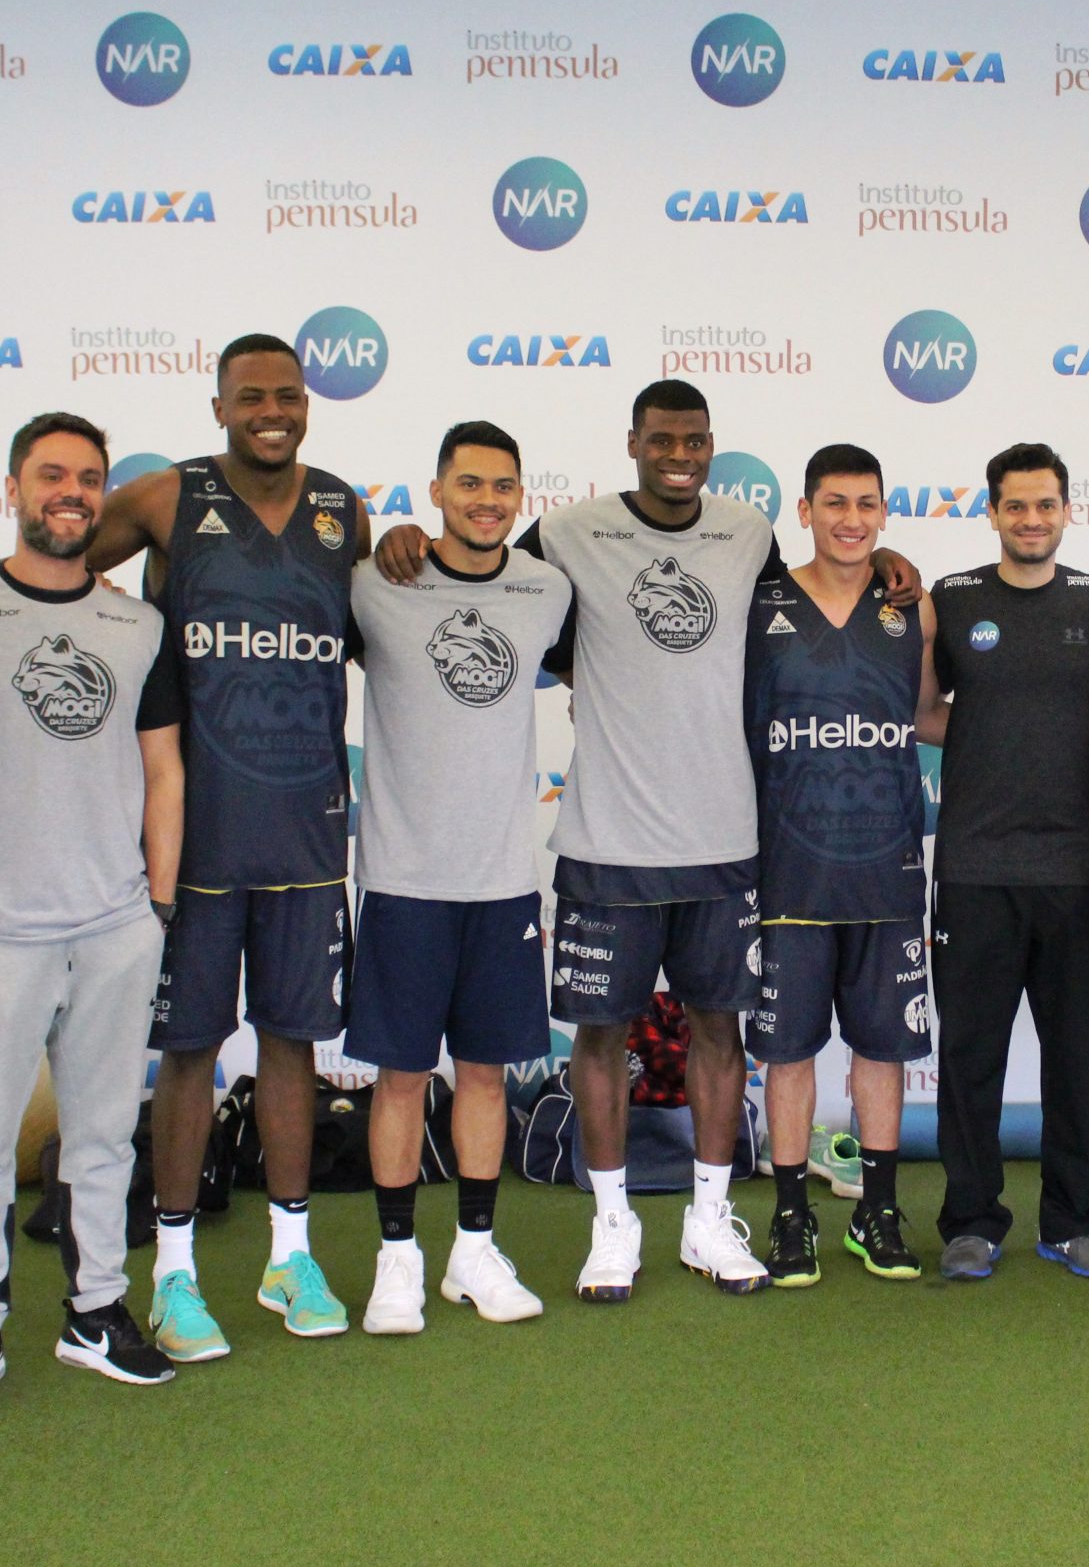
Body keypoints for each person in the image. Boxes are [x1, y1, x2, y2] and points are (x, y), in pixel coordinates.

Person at [375, 381, 919, 1301]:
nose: (680, 453)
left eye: (695, 440)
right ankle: (612, 1226)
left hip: (722, 841)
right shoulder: (572, 531)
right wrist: (406, 545)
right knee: (601, 1036)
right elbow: (487, 579)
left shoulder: (749, 533)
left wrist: (887, 557)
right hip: (607, 839)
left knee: (718, 1031)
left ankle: (709, 1221)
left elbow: (814, 598)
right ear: (632, 442)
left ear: (712, 446)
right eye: (662, 438)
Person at [83, 334, 368, 1354]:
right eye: (251, 396)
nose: (272, 410)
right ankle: (172, 1274)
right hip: (192, 844)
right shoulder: (166, 499)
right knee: (190, 1053)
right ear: (218, 407)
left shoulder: (343, 510)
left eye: (288, 394)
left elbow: (397, 631)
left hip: (304, 836)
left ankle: (291, 1261)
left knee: (294, 1047)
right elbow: (49, 567)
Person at [0, 413, 184, 1412]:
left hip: (113, 925)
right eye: (51, 475)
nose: (71, 492)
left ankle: (95, 1313)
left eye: (88, 479)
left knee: (105, 1138)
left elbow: (162, 767)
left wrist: (156, 903)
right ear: (13, 489)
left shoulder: (135, 626)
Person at [348, 422, 571, 1334]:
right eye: (470, 484)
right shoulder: (375, 581)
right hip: (404, 880)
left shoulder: (546, 587)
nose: (488, 501)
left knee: (484, 1075)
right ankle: (397, 1260)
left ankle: (472, 1252)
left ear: (523, 499)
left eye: (504, 487)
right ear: (435, 491)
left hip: (503, 881)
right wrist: (383, 538)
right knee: (403, 1079)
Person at [926, 443, 1089, 1280]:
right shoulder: (954, 597)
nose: (1031, 520)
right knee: (971, 1054)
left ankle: (1073, 1220)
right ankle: (972, 1220)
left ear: (1066, 509)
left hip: (1078, 871)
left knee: (1079, 1056)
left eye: (1045, 504)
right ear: (992, 510)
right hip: (975, 867)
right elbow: (923, 710)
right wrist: (985, 738)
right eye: (1016, 506)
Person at [744, 444, 942, 1287]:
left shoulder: (914, 608)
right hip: (786, 871)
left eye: (866, 503)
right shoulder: (761, 602)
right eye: (834, 502)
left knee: (882, 1050)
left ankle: (877, 1209)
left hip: (887, 866)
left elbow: (932, 715)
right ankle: (791, 1216)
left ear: (885, 512)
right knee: (788, 1053)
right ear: (805, 509)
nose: (851, 519)